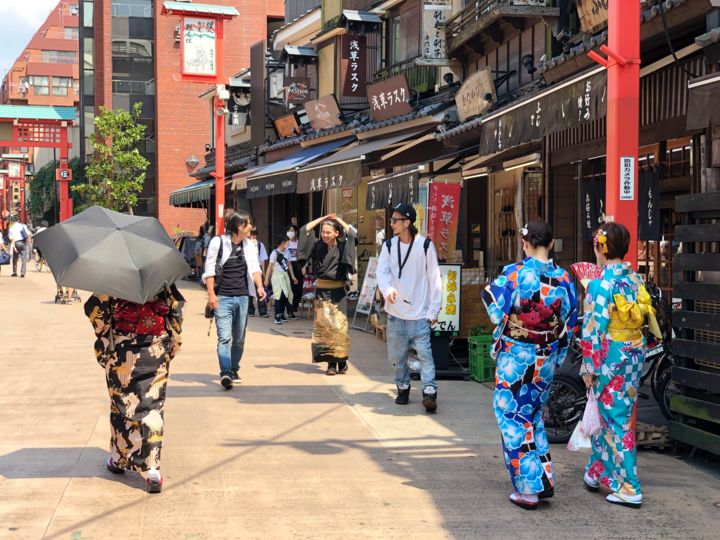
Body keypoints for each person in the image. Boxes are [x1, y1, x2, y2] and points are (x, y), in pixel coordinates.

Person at [482, 219, 578, 510]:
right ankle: (542, 478)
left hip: (517, 355)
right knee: (534, 415)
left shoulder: (514, 274)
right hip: (546, 356)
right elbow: (569, 323)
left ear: (524, 243)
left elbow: (494, 308)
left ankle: (528, 488)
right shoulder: (563, 279)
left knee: (512, 416)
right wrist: (557, 353)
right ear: (551, 244)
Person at [580, 222, 658, 509]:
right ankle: (596, 471)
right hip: (633, 354)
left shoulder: (600, 285)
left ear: (601, 247)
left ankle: (629, 487)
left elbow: (592, 330)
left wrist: (588, 368)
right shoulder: (635, 281)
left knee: (616, 420)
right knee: (609, 415)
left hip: (610, 355)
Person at [84, 284, 184, 493]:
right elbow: (175, 309)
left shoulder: (114, 277)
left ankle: (119, 459)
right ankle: (153, 468)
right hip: (155, 347)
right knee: (153, 405)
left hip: (123, 348)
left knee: (122, 405)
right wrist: (171, 344)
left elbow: (95, 309)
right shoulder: (160, 275)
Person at [376, 203, 442, 413]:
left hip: (420, 314)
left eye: (395, 220)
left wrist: (433, 310)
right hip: (396, 314)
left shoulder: (425, 246)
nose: (392, 223)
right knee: (397, 357)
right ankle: (402, 388)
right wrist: (387, 291)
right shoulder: (388, 246)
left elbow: (434, 278)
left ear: (407, 222)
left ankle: (429, 391)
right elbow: (382, 273)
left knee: (425, 355)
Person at [203, 211, 266, 389]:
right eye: (248, 224)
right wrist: (211, 295)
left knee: (239, 338)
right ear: (239, 226)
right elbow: (209, 271)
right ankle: (226, 373)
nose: (251, 227)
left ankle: (234, 367)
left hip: (243, 297)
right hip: (222, 297)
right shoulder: (218, 242)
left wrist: (260, 286)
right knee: (224, 338)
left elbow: (255, 269)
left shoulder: (250, 245)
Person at [298, 213, 356, 375]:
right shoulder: (317, 246)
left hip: (339, 292)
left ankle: (341, 360)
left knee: (339, 328)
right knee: (326, 328)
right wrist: (321, 219)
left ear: (336, 233)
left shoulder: (343, 246)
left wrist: (337, 220)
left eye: (328, 232)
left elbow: (352, 233)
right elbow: (304, 231)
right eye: (323, 231)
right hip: (322, 291)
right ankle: (331, 364)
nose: (325, 235)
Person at [265, 235, 298, 324]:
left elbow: (289, 265)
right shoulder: (274, 253)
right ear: (283, 243)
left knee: (286, 296)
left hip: (285, 276)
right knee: (279, 296)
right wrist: (266, 279)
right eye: (287, 242)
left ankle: (282, 314)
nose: (288, 243)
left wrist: (293, 276)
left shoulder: (287, 252)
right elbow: (269, 267)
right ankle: (277, 316)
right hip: (276, 276)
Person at [248, 228, 269, 317]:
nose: (253, 236)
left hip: (257, 269)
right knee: (249, 290)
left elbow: (262, 260)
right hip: (248, 269)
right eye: (252, 234)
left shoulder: (260, 245)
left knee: (260, 290)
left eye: (255, 234)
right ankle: (250, 309)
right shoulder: (245, 244)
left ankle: (262, 310)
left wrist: (263, 273)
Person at [286, 224, 303, 319]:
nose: (290, 232)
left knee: (298, 290)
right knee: (290, 289)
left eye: (292, 230)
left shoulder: (299, 243)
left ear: (296, 232)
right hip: (288, 266)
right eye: (289, 230)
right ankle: (290, 310)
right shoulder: (285, 243)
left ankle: (294, 306)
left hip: (297, 266)